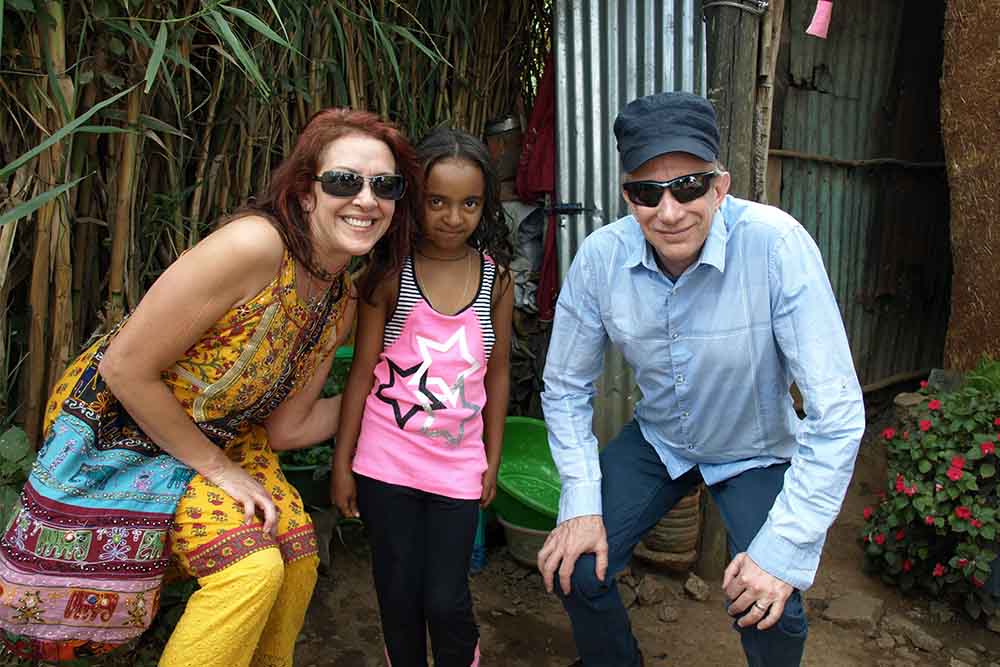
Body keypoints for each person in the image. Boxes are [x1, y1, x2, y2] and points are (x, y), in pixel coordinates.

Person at [0, 108, 420, 667]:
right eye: (344, 181)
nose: (367, 200)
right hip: (125, 421)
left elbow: (288, 429)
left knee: (296, 555)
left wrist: (393, 394)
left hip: (224, 432)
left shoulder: (337, 299)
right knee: (250, 570)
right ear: (303, 193)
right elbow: (125, 368)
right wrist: (219, 471)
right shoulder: (254, 245)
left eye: (384, 186)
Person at [536, 91, 866, 666]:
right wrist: (582, 505)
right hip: (660, 437)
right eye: (646, 192)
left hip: (755, 447)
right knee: (577, 569)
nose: (669, 212)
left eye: (688, 186)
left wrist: (781, 550)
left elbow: (837, 413)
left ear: (721, 185)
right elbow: (564, 387)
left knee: (770, 605)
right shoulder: (599, 259)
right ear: (626, 196)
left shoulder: (777, 246)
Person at [333, 127, 514, 666]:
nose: (453, 217)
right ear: (415, 200)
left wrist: (492, 456)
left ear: (485, 206)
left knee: (446, 599)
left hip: (457, 468)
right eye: (437, 201)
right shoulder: (390, 276)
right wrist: (343, 463)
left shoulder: (494, 280)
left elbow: (499, 374)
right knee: (397, 596)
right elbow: (362, 374)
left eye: (469, 204)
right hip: (385, 465)